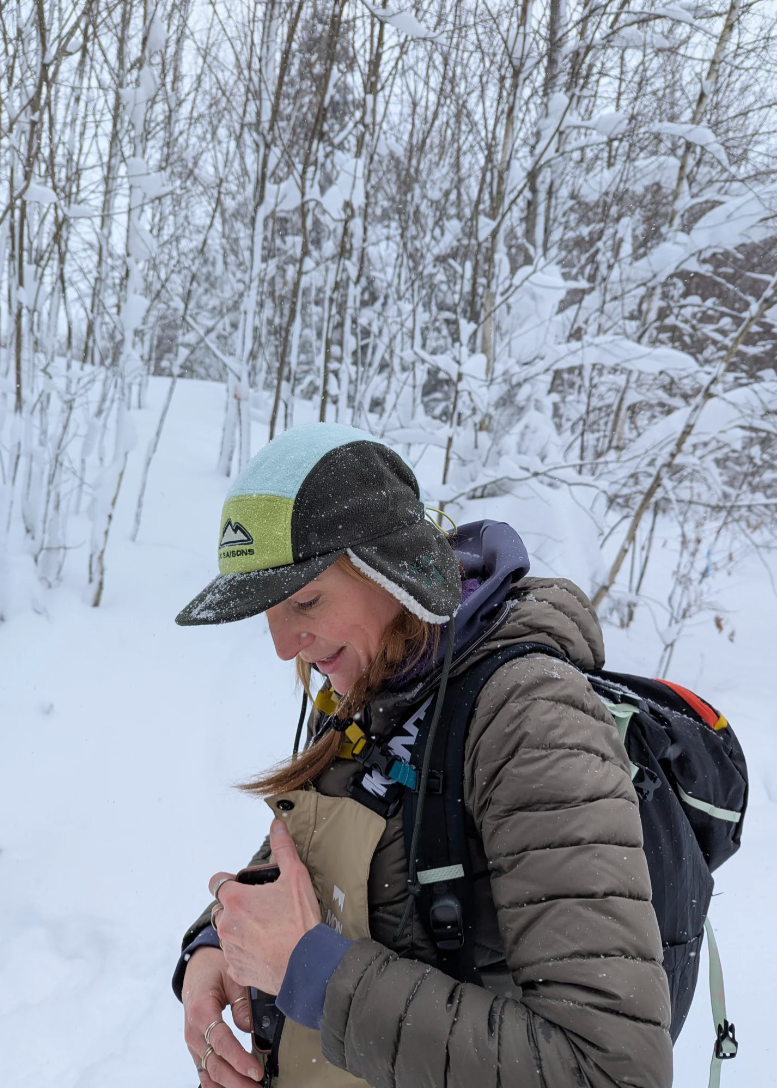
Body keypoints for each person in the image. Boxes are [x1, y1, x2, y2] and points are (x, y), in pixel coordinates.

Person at [173, 422, 672, 1088]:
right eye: (268, 611)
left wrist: (315, 973)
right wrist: (216, 948)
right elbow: (315, 861)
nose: (284, 645)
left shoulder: (532, 722)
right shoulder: (381, 688)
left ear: (393, 569)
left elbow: (613, 1072)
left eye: (307, 600)